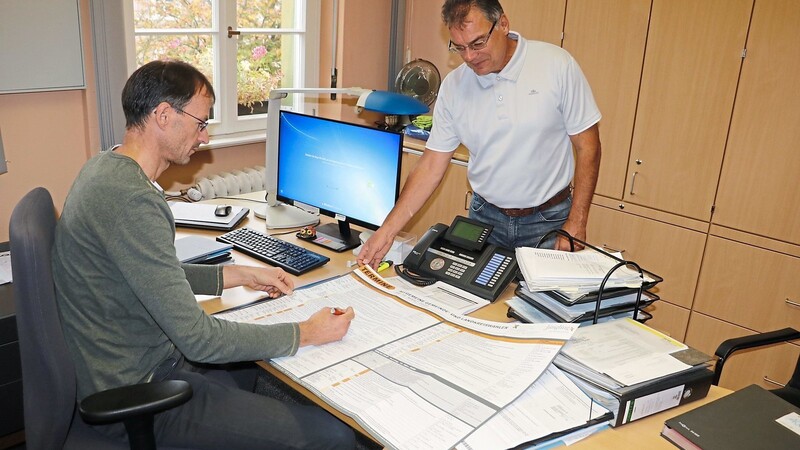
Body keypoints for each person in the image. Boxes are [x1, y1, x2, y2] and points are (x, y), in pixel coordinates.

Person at [52, 59, 356, 449]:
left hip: (123, 363)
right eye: (200, 123)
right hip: (141, 395)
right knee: (332, 437)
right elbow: (199, 340)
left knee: (252, 372)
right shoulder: (133, 202)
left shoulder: (104, 168)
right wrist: (307, 333)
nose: (205, 137)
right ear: (163, 115)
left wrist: (239, 276)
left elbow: (143, 274)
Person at [358, 0, 601, 268]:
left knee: (539, 307)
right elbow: (430, 166)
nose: (470, 57)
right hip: (484, 219)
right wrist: (387, 230)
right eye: (459, 48)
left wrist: (578, 220)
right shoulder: (455, 86)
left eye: (477, 43)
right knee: (473, 302)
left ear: (503, 24)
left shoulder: (556, 65)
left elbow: (588, 145)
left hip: (548, 221)